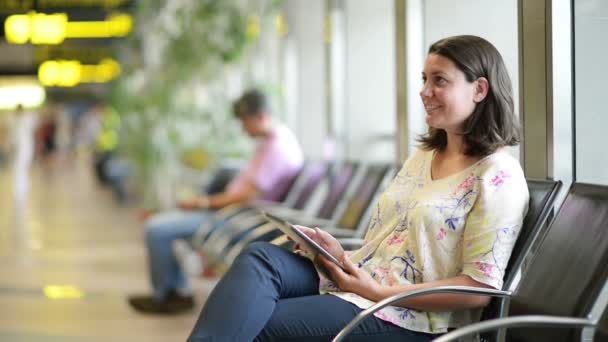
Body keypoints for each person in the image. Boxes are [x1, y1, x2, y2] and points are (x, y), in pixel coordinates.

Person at [187, 35, 530, 342]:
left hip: (410, 316)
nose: (425, 91)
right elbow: (394, 239)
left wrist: (379, 291)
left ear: (480, 90)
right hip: (364, 277)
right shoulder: (424, 156)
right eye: (425, 79)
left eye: (440, 81)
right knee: (260, 258)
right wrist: (337, 254)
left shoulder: (498, 178)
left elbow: (478, 290)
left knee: (260, 324)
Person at [128, 89, 304, 314]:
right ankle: (174, 293)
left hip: (238, 220)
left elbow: (247, 195)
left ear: (260, 117)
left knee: (156, 229)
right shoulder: (273, 140)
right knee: (162, 223)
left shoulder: (277, 148)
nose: (242, 128)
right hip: (234, 215)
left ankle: (167, 295)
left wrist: (205, 203)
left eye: (245, 122)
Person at [11, 104, 37, 212]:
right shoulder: (17, 121)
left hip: (25, 148)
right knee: (19, 169)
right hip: (21, 148)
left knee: (21, 168)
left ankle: (22, 188)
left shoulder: (25, 120)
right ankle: (20, 188)